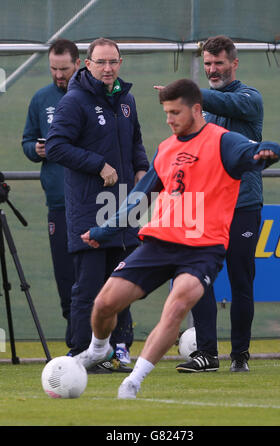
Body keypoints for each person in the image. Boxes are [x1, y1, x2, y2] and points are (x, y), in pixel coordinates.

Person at [74, 78, 280, 399]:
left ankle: (133, 382)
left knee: (177, 305)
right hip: (160, 242)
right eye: (166, 113)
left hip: (203, 246)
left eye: (175, 112)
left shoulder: (223, 141)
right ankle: (98, 349)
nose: (169, 119)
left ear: (197, 109)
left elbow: (256, 153)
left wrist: (270, 152)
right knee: (103, 304)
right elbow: (138, 198)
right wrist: (104, 230)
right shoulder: (167, 148)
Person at [45, 38, 149, 372]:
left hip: (122, 208)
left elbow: (136, 143)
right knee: (89, 285)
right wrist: (97, 164)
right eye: (101, 62)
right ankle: (81, 352)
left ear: (121, 63)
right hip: (89, 208)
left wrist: (142, 173)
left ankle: (119, 349)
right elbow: (57, 146)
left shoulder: (127, 99)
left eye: (113, 62)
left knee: (122, 282)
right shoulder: (74, 101)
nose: (107, 68)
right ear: (87, 64)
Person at [173, 35, 265, 373]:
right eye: (208, 64)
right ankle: (207, 354)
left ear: (234, 64)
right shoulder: (202, 111)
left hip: (242, 205)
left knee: (241, 281)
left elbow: (227, 104)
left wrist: (190, 96)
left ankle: (240, 355)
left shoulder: (249, 98)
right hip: (207, 207)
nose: (213, 69)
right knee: (198, 280)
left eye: (219, 63)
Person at [22, 39, 80, 349]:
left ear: (78, 64)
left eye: (64, 69)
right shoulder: (41, 98)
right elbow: (27, 142)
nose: (59, 75)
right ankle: (75, 340)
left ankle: (106, 341)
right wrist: (37, 149)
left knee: (96, 272)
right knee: (64, 274)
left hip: (90, 201)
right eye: (54, 69)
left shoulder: (88, 96)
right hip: (57, 202)